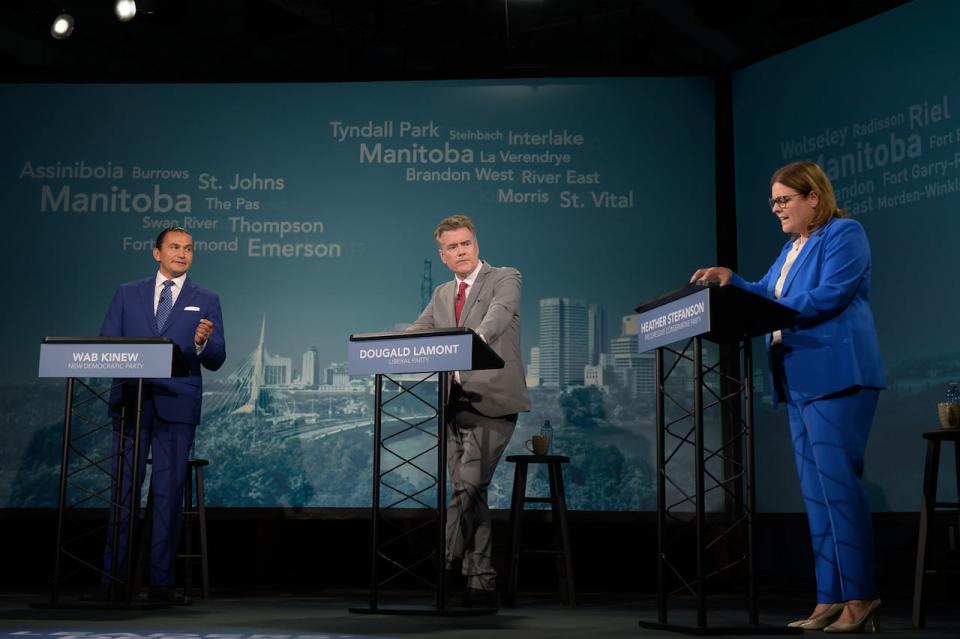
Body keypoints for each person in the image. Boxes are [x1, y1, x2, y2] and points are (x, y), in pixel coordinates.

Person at [690, 161, 885, 633]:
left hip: (836, 375)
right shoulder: (790, 248)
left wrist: (760, 303)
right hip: (796, 380)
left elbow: (829, 296)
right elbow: (765, 295)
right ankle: (829, 599)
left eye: (784, 199)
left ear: (812, 197)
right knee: (817, 496)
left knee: (839, 489)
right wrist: (732, 281)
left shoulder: (844, 233)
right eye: (774, 201)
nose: (776, 208)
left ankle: (861, 596)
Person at [407, 214, 530, 608]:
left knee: (468, 486)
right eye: (452, 247)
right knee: (471, 493)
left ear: (476, 245)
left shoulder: (505, 277)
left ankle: (443, 566)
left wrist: (471, 338)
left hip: (493, 402)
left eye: (466, 244)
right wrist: (383, 346)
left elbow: (498, 316)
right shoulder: (443, 294)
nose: (461, 251)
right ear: (442, 255)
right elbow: (420, 331)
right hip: (453, 405)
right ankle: (481, 581)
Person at [99, 226, 226, 604]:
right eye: (174, 247)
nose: (182, 253)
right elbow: (107, 343)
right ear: (157, 253)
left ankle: (160, 584)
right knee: (123, 492)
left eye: (188, 249)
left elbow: (217, 358)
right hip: (131, 401)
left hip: (177, 403)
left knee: (167, 494)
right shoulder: (127, 294)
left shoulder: (206, 298)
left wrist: (203, 343)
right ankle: (113, 582)